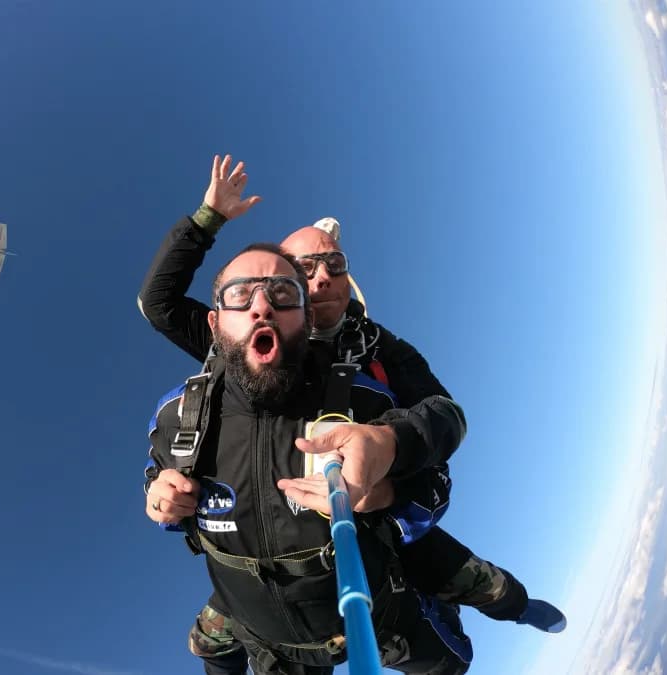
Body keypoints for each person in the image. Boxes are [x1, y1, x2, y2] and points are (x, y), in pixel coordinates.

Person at [138, 156, 566, 673]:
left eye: (332, 266)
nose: (318, 280)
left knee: (462, 576)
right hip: (259, 537)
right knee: (222, 629)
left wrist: (388, 451)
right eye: (300, 272)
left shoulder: (378, 351)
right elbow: (159, 304)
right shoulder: (239, 344)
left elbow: (444, 413)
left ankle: (512, 606)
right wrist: (208, 217)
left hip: (375, 508)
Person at [145, 244, 473, 674]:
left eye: (282, 292)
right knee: (211, 649)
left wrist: (389, 458)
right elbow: (157, 474)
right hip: (267, 640)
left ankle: (500, 599)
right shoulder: (179, 417)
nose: (261, 305)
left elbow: (441, 434)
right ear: (214, 321)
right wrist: (159, 499)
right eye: (240, 294)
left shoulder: (363, 400)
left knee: (452, 661)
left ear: (306, 315)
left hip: (374, 615)